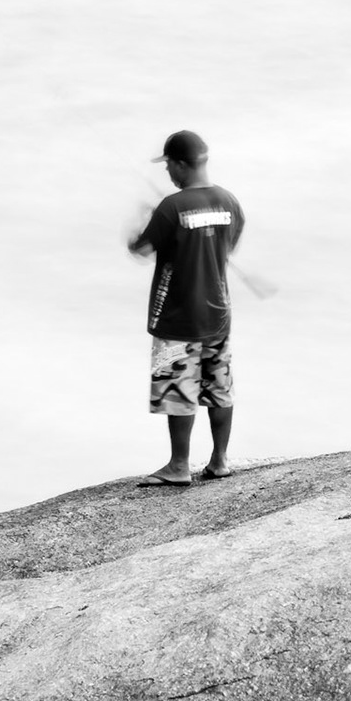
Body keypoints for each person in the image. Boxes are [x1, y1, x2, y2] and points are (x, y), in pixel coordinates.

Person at [125, 130, 246, 486]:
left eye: (169, 167)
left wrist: (139, 221)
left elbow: (141, 249)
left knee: (179, 389)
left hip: (177, 315)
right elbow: (229, 246)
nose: (169, 174)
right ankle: (220, 460)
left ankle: (179, 466)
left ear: (180, 164)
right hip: (217, 313)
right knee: (219, 385)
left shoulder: (171, 208)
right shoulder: (228, 201)